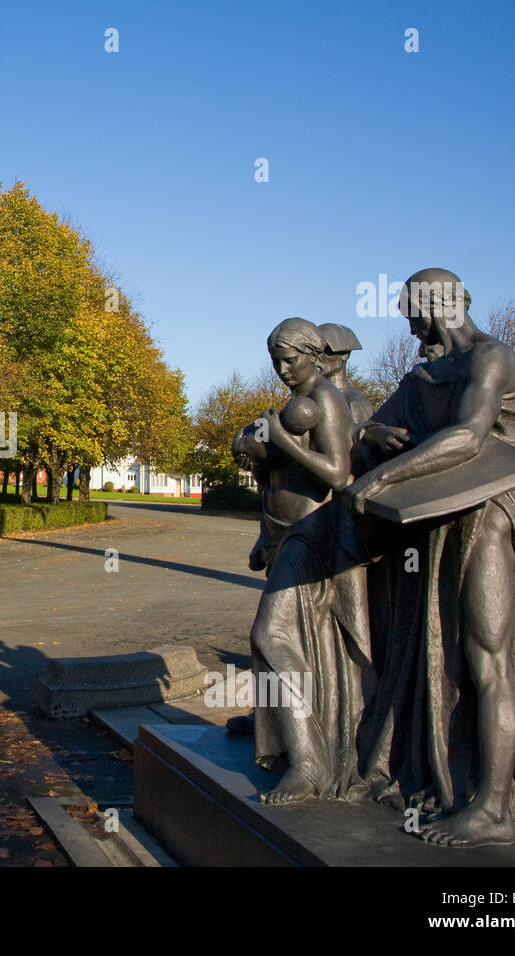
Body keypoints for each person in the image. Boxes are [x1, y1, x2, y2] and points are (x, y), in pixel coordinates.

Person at [345, 269, 515, 845]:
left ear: (435, 305)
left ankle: (495, 808)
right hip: (437, 523)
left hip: (491, 516)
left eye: (410, 310)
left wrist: (379, 478)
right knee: (442, 658)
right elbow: (369, 426)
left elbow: (469, 438)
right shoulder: (424, 375)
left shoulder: (492, 357)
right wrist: (374, 437)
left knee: (488, 657)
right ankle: (450, 777)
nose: (407, 324)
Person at [231, 318, 372, 804]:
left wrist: (285, 441)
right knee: (293, 645)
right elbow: (278, 473)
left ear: (314, 353)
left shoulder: (328, 399)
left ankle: (309, 765)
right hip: (286, 534)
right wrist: (257, 446)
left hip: (315, 535)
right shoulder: (294, 403)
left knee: (270, 635)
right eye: (276, 361)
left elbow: (338, 472)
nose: (283, 368)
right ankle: (301, 754)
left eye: (290, 359)